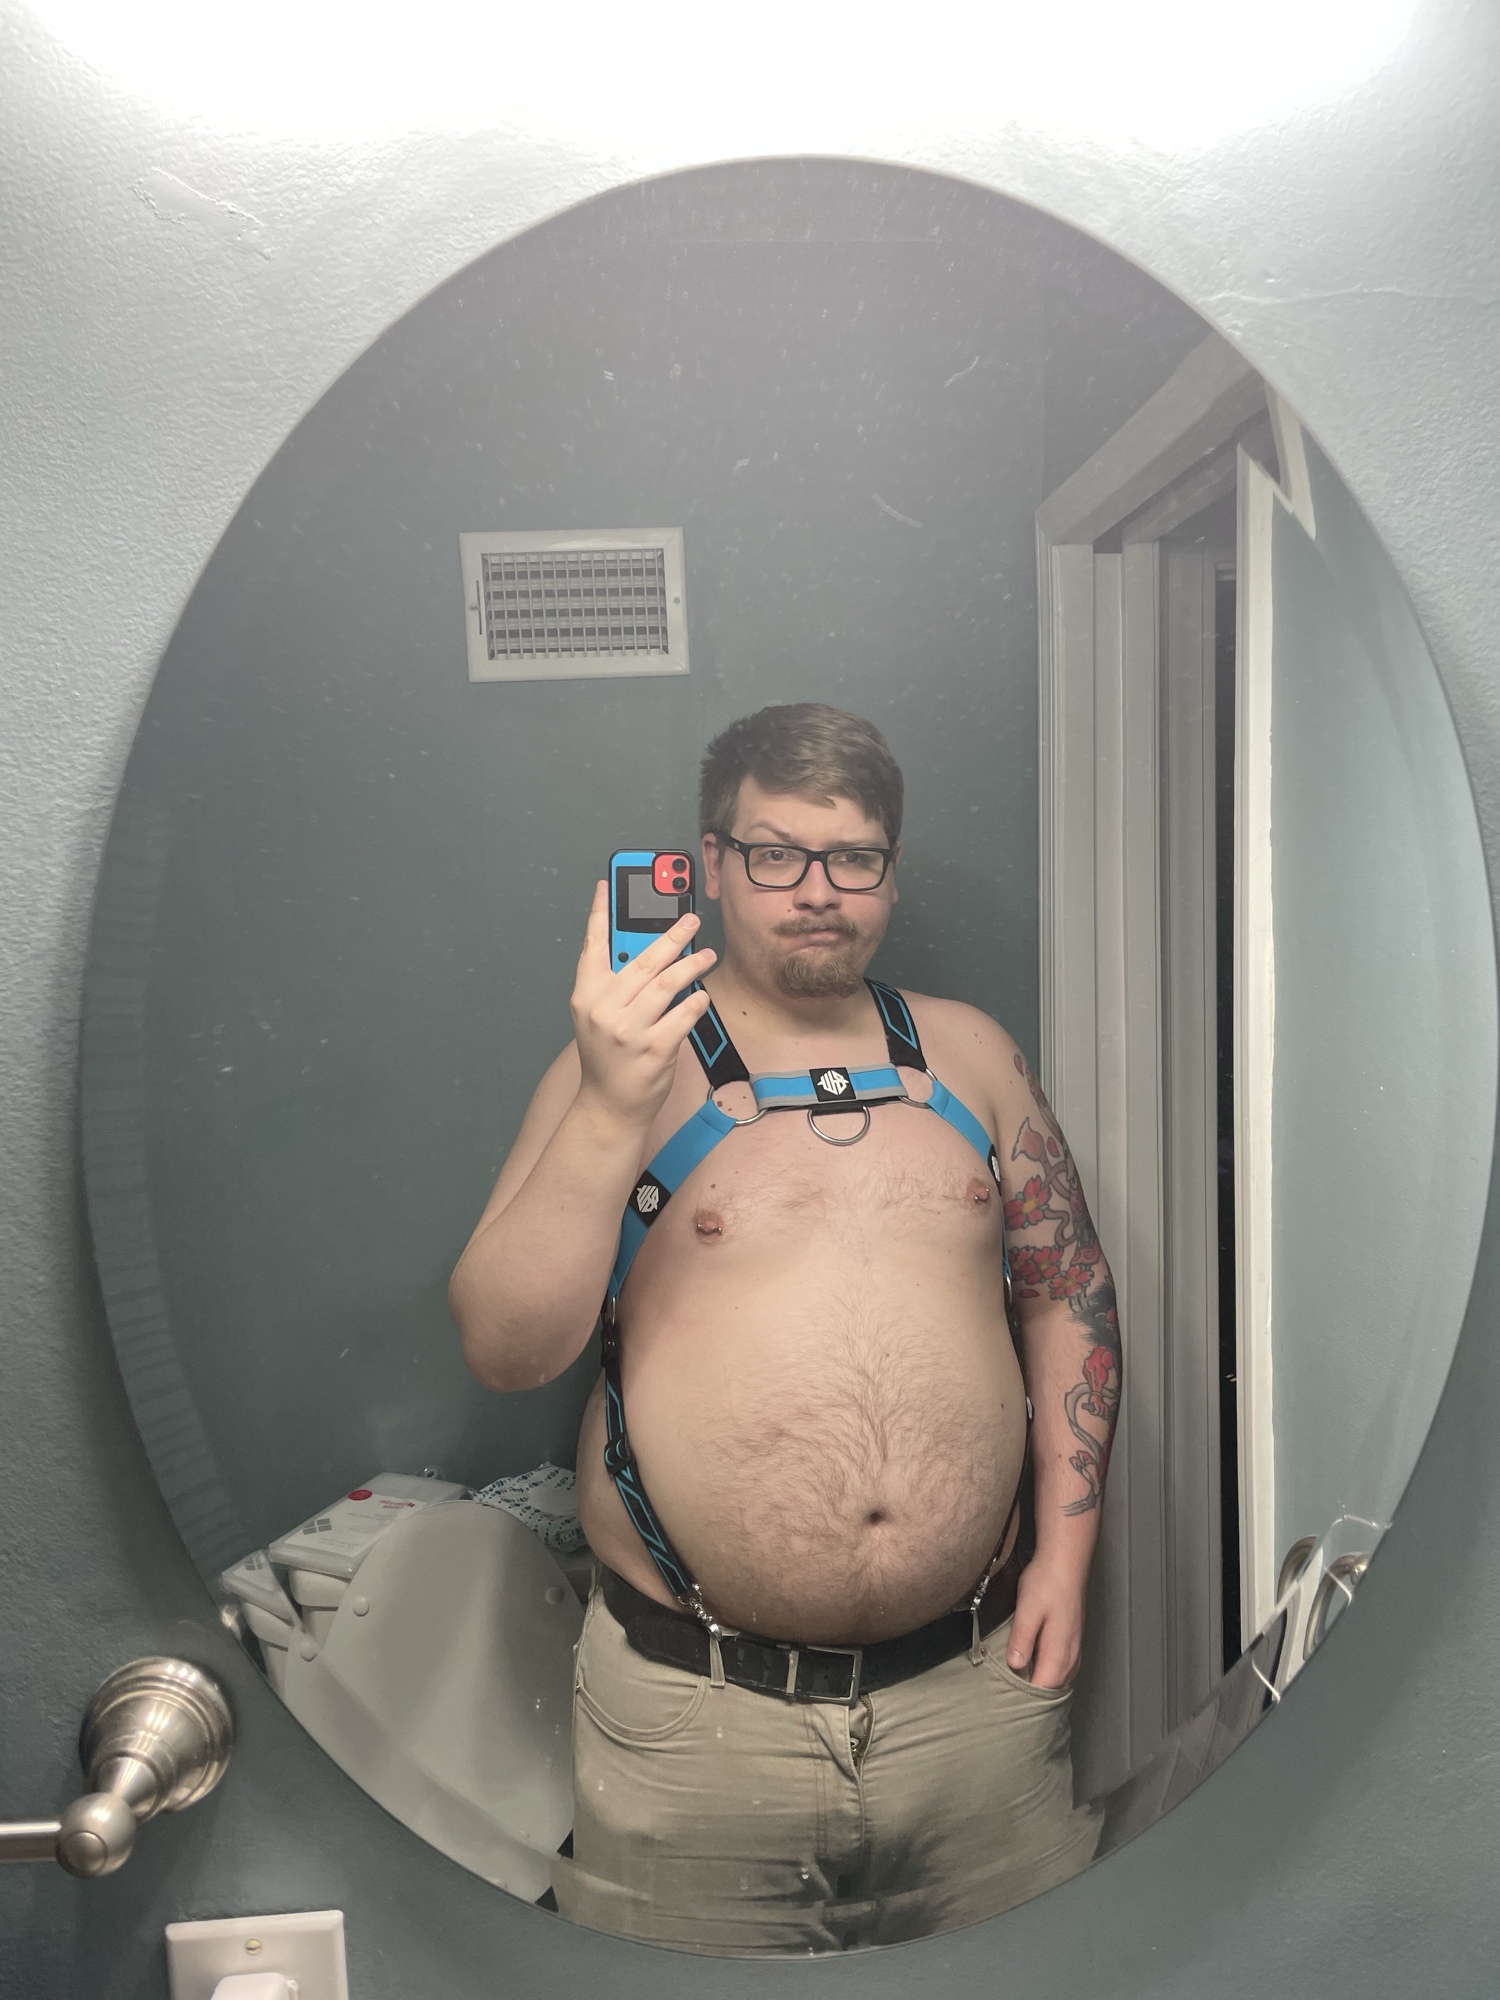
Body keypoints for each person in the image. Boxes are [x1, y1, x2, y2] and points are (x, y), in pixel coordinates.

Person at [450, 703, 1118, 1953]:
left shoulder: (971, 1056)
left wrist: (1065, 1564)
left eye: (852, 855)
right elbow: (507, 1347)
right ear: (711, 864)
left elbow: (1067, 1294)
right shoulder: (625, 1070)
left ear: (890, 872)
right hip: (696, 1721)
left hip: (976, 1697)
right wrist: (610, 1104)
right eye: (776, 854)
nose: (818, 890)